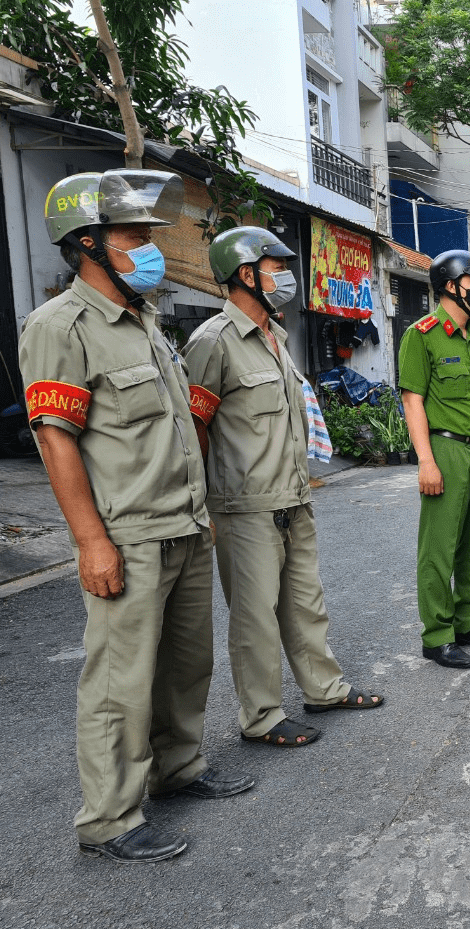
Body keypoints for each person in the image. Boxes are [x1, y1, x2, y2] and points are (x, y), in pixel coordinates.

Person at [19, 170, 254, 864]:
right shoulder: (60, 326)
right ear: (88, 243)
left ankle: (178, 769)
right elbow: (55, 439)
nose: (148, 248)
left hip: (182, 525)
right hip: (127, 533)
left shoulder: (145, 321)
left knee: (185, 664)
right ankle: (110, 819)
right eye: (132, 236)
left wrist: (199, 511)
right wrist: (90, 542)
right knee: (120, 682)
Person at [184, 227, 384, 746]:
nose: (286, 278)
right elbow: (194, 429)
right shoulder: (212, 342)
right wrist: (201, 505)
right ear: (246, 275)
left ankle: (325, 688)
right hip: (244, 505)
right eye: (276, 268)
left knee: (304, 603)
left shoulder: (275, 335)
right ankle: (263, 716)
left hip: (293, 498)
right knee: (254, 618)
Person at [398, 249, 470, 669]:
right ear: (450, 286)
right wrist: (425, 462)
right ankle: (438, 636)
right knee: (439, 549)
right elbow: (413, 402)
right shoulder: (422, 334)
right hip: (446, 450)